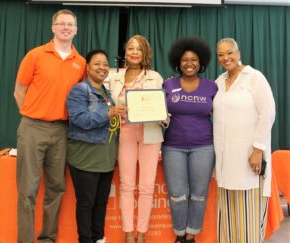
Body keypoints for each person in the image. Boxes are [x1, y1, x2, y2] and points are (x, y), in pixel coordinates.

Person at [13, 9, 86, 243]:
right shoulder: (35, 55)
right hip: (32, 128)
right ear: (53, 27)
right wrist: (33, 115)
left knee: (56, 189)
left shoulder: (81, 63)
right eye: (61, 23)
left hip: (62, 131)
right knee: (27, 191)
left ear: (75, 30)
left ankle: (48, 239)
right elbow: (19, 91)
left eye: (70, 24)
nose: (66, 27)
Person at [213, 38, 276, 243]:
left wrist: (258, 149)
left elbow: (268, 113)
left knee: (248, 221)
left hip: (249, 161)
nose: (225, 58)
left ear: (238, 53)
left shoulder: (254, 78)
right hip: (224, 164)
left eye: (229, 52)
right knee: (228, 223)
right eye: (221, 54)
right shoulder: (219, 81)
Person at [66, 49, 127, 243]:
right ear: (87, 67)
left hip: (106, 159)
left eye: (105, 64)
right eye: (97, 63)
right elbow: (80, 119)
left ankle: (98, 238)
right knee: (86, 203)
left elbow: (111, 126)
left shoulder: (106, 92)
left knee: (101, 203)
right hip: (85, 158)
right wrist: (109, 114)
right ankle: (85, 239)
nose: (102, 67)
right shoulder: (79, 90)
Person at [162, 36, 217, 243]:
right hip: (173, 147)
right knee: (177, 194)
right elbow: (158, 113)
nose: (189, 63)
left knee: (199, 194)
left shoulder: (212, 87)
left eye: (194, 59)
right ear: (178, 62)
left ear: (201, 62)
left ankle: (191, 234)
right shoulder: (167, 84)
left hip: (204, 146)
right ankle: (179, 234)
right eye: (185, 59)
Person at [109, 35, 164, 243]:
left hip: (150, 133)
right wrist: (115, 109)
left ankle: (142, 233)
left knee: (147, 186)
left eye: (138, 49)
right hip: (125, 132)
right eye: (130, 48)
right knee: (126, 185)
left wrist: (162, 115)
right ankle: (128, 233)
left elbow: (161, 106)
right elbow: (107, 105)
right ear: (125, 52)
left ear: (145, 53)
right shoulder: (114, 77)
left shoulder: (155, 77)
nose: (134, 52)